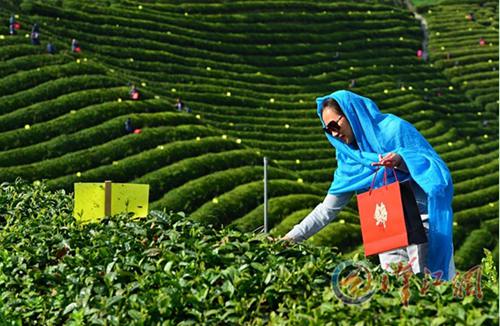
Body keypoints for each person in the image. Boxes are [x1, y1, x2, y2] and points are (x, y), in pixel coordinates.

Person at [281, 90, 456, 281]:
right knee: (398, 290)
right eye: (327, 129)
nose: (333, 133)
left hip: (422, 227)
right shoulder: (349, 158)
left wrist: (401, 160)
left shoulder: (394, 130)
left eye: (334, 125)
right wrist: (290, 239)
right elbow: (327, 209)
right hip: (388, 229)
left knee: (428, 287)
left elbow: (435, 170)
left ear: (351, 114)